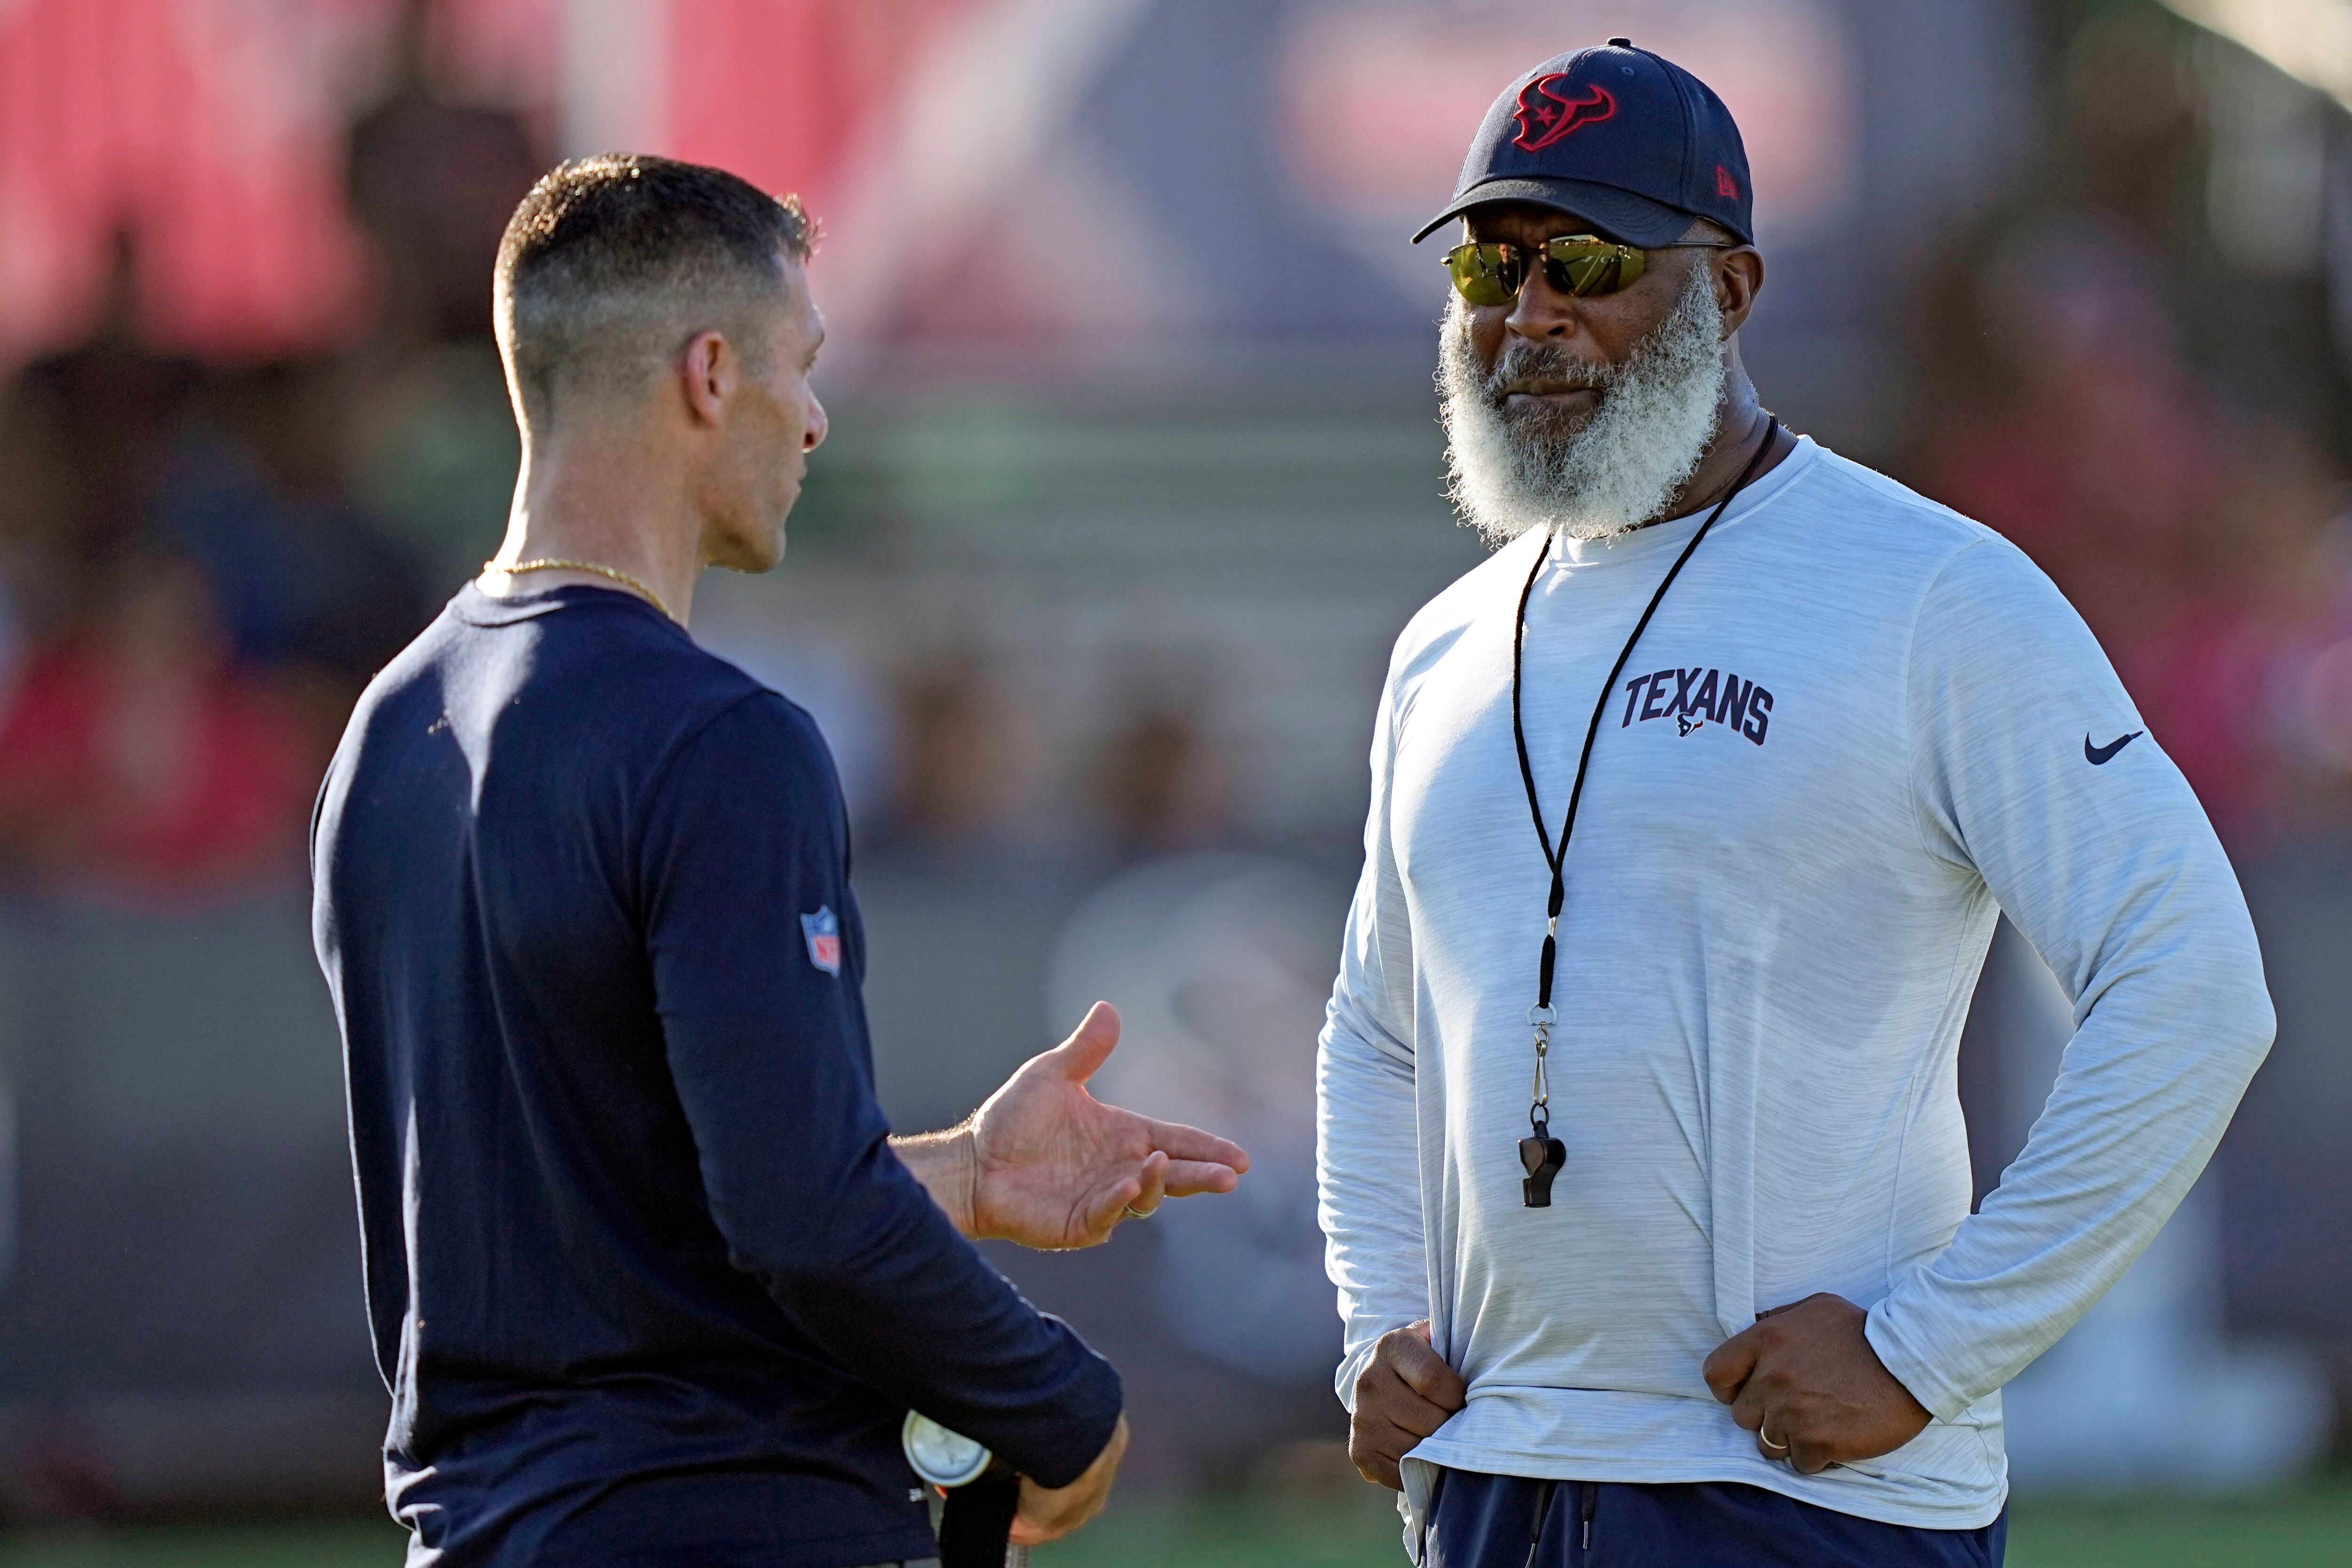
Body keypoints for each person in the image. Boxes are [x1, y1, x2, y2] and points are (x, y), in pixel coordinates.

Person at [1315, 41, 2273, 1568]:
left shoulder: (1929, 593)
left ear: (1733, 290)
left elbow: (2196, 985)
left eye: (1585, 258)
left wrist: (1928, 1350)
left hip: (1804, 1498)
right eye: (1489, 270)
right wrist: (1377, 1327)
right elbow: (1376, 1034)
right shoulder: (1442, 643)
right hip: (1496, 1484)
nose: (1529, 312)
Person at [310, 155, 1249, 1568]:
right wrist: (1064, 1408)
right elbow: (799, 1218)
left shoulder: (382, 736)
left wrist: (961, 1173)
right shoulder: (722, 741)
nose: (813, 420)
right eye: (800, 369)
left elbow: (613, 1202)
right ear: (707, 375)